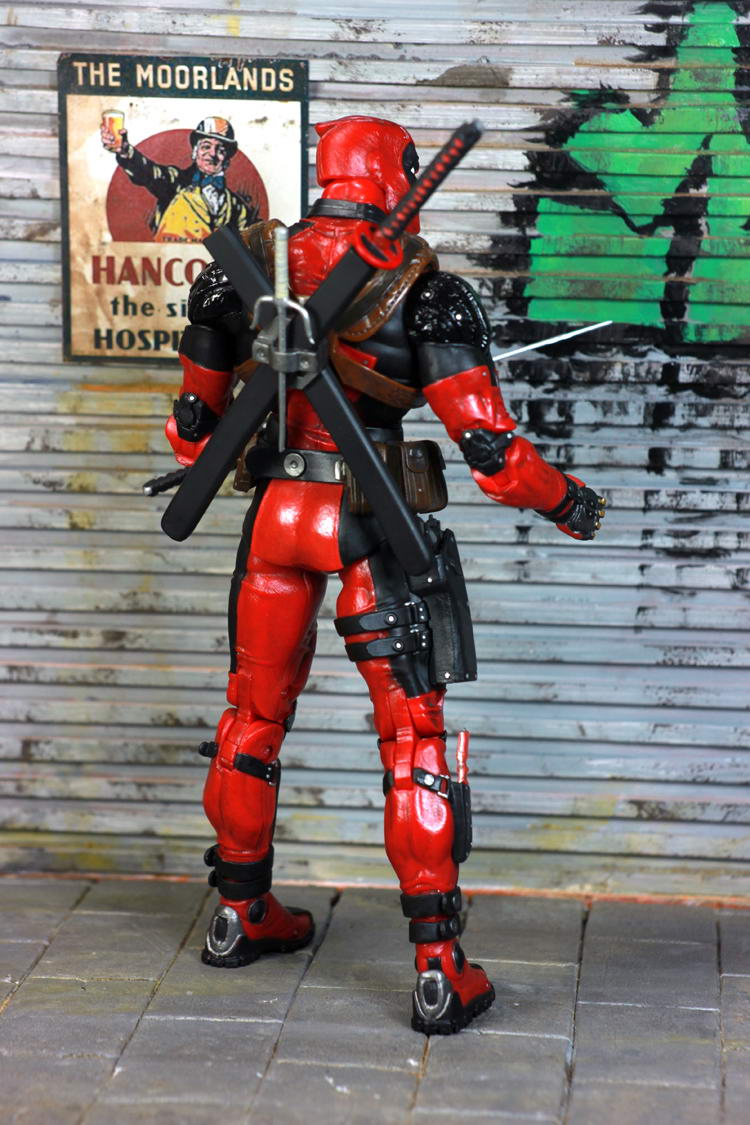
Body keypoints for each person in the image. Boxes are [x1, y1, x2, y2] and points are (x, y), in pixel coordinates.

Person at [164, 115, 606, 1034]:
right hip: (370, 523)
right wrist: (569, 501)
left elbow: (190, 433)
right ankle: (439, 968)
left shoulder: (239, 273)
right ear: (398, 175)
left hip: (275, 519)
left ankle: (237, 914)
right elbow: (495, 456)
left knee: (250, 717)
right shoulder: (426, 294)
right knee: (412, 740)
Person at [101, 116, 259, 242]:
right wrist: (125, 152)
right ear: (195, 152)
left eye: (220, 150)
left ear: (227, 160)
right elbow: (149, 172)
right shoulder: (175, 181)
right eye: (206, 146)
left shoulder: (237, 207)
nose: (212, 154)